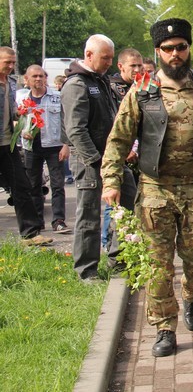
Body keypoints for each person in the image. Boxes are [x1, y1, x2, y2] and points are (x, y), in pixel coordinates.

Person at [101, 18, 193, 357]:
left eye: (181, 47)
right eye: (168, 49)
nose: (175, 54)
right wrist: (111, 181)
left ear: (189, 49)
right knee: (158, 266)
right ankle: (164, 328)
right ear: (157, 52)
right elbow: (118, 140)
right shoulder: (142, 90)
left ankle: (191, 294)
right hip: (154, 190)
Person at [62, 34, 136, 281]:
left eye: (111, 58)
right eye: (105, 58)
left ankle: (119, 258)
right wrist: (95, 162)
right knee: (89, 214)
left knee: (129, 202)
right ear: (89, 55)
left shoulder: (100, 81)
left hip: (113, 159)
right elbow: (75, 130)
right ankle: (87, 270)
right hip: (90, 161)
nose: (109, 63)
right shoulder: (77, 84)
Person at [0, 47, 51, 247]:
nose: (11, 66)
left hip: (9, 143)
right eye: (7, 62)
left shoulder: (11, 83)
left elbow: (12, 111)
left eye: (13, 62)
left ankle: (30, 234)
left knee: (22, 186)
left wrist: (22, 118)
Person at [19, 65, 70, 234]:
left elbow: (66, 120)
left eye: (41, 76)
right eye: (34, 76)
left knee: (57, 185)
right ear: (27, 79)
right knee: (33, 186)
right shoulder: (21, 98)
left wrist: (66, 145)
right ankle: (37, 221)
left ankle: (58, 220)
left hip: (54, 145)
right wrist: (22, 132)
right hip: (31, 146)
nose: (38, 79)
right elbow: (15, 121)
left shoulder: (56, 96)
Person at [104, 48, 143, 248]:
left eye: (139, 65)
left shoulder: (145, 87)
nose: (137, 69)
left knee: (134, 203)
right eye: (132, 66)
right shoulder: (111, 88)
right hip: (119, 154)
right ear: (120, 66)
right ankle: (111, 248)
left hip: (140, 155)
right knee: (116, 205)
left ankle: (127, 248)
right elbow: (117, 125)